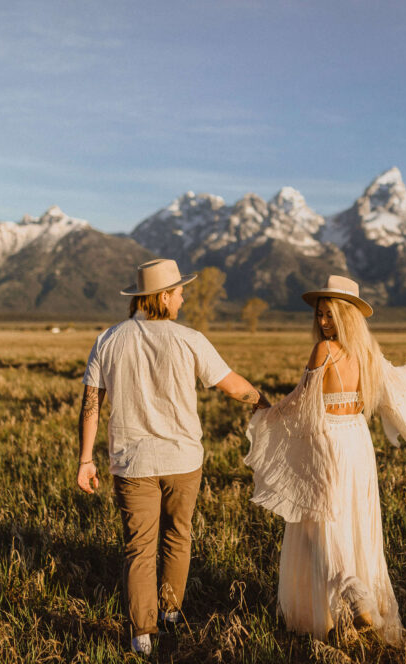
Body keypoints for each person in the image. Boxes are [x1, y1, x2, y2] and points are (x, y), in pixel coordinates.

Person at [76, 258, 270, 656]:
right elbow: (232, 386)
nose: (182, 299)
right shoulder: (189, 339)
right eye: (179, 292)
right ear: (163, 297)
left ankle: (141, 634)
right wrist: (264, 403)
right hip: (183, 462)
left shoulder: (108, 339)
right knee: (178, 537)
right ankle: (170, 613)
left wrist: (85, 460)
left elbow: (91, 403)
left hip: (132, 465)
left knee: (139, 547)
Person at [244, 274, 406, 645]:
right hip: (357, 442)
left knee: (320, 523)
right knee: (354, 518)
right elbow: (397, 395)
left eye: (330, 315)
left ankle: (351, 596)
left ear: (346, 317)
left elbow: (302, 402)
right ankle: (352, 601)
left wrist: (265, 413)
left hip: (329, 440)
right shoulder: (370, 354)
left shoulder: (325, 352)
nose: (322, 323)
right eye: (319, 315)